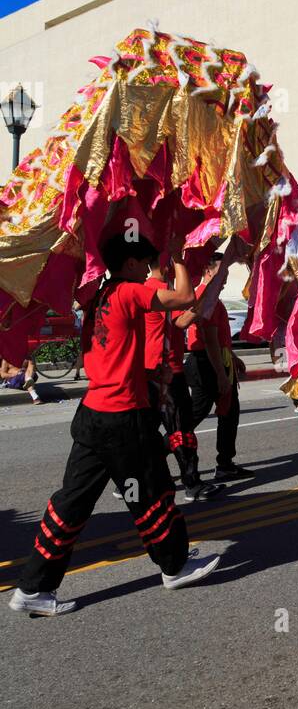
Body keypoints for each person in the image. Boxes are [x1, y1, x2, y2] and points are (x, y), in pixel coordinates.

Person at [8, 233, 222, 618]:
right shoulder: (128, 292)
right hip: (123, 419)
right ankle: (174, 567)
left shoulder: (97, 296)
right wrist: (177, 258)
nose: (146, 270)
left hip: (92, 414)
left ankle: (32, 587)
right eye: (143, 263)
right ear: (128, 265)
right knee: (153, 495)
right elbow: (186, 298)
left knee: (69, 504)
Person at [144, 251, 221, 503]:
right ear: (166, 263)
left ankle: (138, 481)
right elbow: (183, 320)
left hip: (148, 371)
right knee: (181, 431)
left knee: (147, 432)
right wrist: (209, 288)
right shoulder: (161, 290)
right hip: (168, 372)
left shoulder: (145, 288)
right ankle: (192, 484)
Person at [181, 250, 250, 481]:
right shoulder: (203, 298)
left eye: (227, 273)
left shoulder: (211, 299)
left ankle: (225, 463)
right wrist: (221, 374)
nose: (225, 279)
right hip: (206, 363)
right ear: (207, 271)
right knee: (192, 417)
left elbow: (218, 339)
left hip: (217, 360)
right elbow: (209, 341)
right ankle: (153, 460)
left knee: (230, 413)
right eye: (221, 273)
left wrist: (232, 358)